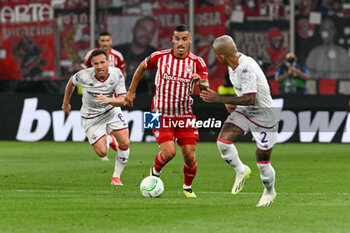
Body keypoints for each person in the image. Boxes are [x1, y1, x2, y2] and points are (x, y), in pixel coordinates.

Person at [126, 24, 209, 198]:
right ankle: (155, 172)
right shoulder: (159, 57)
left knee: (189, 155)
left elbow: (205, 87)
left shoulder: (197, 62)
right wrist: (131, 91)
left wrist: (200, 81)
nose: (180, 42)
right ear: (172, 39)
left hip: (185, 114)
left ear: (190, 40)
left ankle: (187, 187)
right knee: (169, 152)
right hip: (158, 113)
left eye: (184, 39)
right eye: (177, 38)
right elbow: (141, 67)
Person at [200, 35, 278, 207]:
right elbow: (244, 96)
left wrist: (220, 98)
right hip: (245, 111)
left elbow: (250, 98)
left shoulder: (246, 68)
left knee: (263, 162)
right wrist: (230, 101)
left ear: (221, 56)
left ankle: (269, 191)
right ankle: (241, 170)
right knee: (223, 142)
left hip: (264, 115)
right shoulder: (232, 65)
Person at [62, 49, 130, 186]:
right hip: (91, 117)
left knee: (125, 143)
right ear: (92, 64)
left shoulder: (117, 74)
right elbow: (71, 82)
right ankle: (109, 139)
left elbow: (123, 100)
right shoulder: (84, 75)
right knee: (102, 153)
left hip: (111, 110)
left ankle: (116, 177)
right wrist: (65, 103)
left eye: (102, 62)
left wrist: (108, 100)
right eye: (96, 63)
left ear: (108, 62)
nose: (99, 66)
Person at [114, 16, 157, 93]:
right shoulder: (117, 53)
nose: (147, 34)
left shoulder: (156, 56)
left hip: (145, 102)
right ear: (133, 30)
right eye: (143, 29)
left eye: (151, 31)